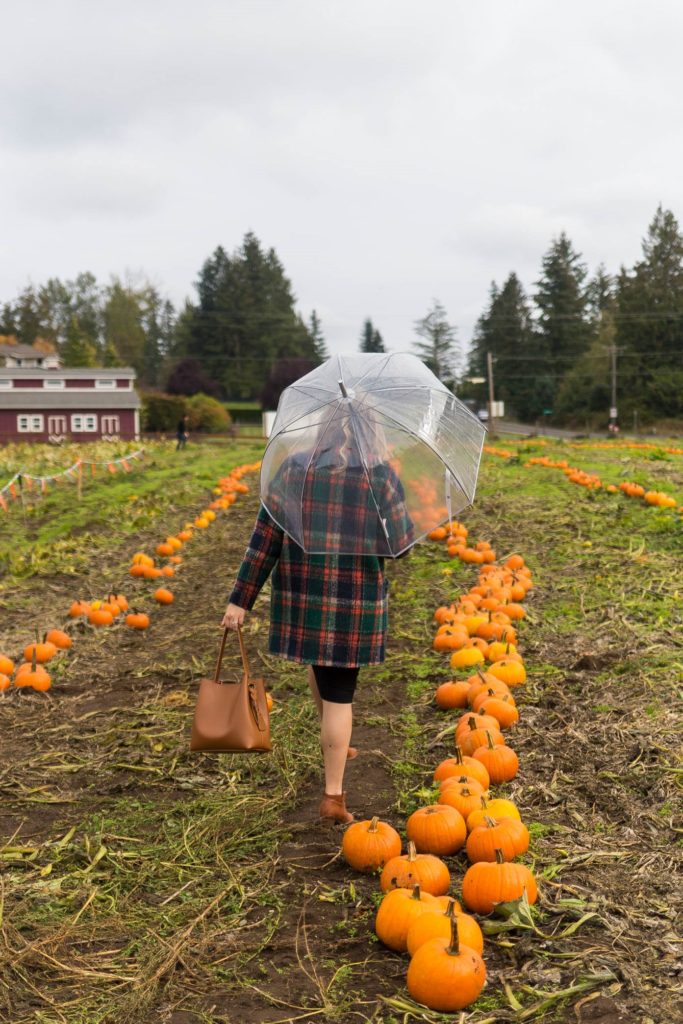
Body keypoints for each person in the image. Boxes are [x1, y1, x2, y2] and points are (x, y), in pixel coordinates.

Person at [222, 409, 414, 824]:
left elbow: (265, 539)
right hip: (353, 603)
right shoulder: (379, 476)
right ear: (372, 430)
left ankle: (336, 742)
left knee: (324, 676)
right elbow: (400, 547)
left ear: (325, 427)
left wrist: (240, 599)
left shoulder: (294, 470)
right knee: (340, 695)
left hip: (304, 598)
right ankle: (334, 796)